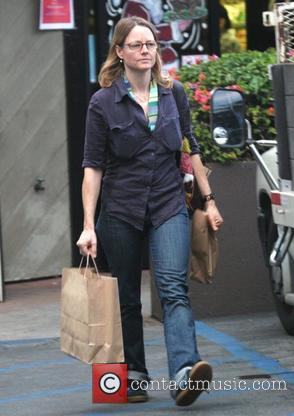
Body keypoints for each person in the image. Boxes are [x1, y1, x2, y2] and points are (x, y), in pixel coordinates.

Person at [76, 16, 223, 406]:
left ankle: (183, 373)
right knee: (126, 296)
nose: (146, 51)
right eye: (137, 45)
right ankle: (135, 375)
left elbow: (189, 151)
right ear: (120, 52)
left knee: (174, 287)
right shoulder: (103, 103)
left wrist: (208, 202)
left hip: (168, 205)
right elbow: (93, 168)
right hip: (120, 211)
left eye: (151, 45)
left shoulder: (173, 94)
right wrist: (89, 225)